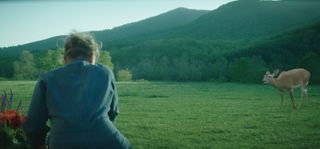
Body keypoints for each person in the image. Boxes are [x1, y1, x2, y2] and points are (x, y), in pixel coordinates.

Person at [23, 31, 131, 149]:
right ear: (91, 56)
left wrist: (38, 144)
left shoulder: (47, 79)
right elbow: (113, 112)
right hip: (110, 142)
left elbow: (34, 123)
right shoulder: (106, 73)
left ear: (65, 58)